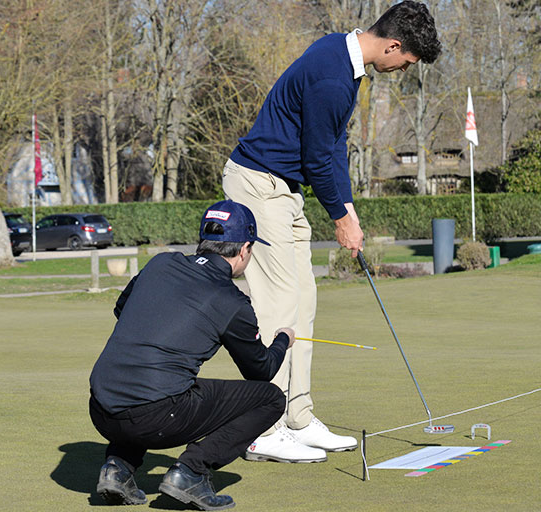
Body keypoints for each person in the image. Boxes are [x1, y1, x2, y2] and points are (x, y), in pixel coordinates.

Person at [222, 1, 442, 463]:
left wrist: (348, 210)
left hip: (284, 190)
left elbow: (333, 148)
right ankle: (263, 427)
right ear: (394, 45)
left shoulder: (344, 61)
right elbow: (319, 155)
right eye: (406, 61)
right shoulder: (331, 76)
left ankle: (297, 417)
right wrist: (340, 219)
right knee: (278, 306)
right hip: (259, 185)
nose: (403, 69)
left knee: (303, 301)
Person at [88, 199, 292, 510]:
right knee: (271, 398)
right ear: (244, 249)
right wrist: (281, 341)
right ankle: (191, 472)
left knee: (151, 387)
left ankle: (117, 469)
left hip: (100, 409)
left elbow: (121, 309)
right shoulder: (232, 301)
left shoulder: (161, 263)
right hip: (155, 416)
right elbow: (260, 371)